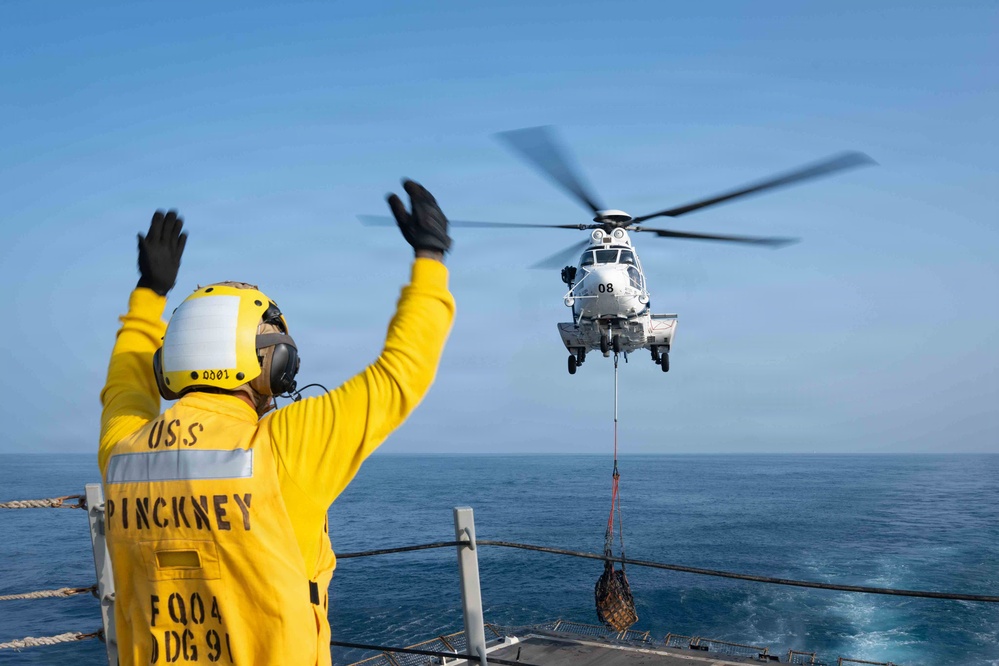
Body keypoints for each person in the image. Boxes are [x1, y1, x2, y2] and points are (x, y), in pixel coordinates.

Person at [98, 181, 456, 666]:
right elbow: (401, 372)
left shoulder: (124, 452)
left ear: (169, 365)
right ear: (273, 364)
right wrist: (430, 258)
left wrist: (148, 294)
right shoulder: (284, 445)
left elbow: (125, 385)